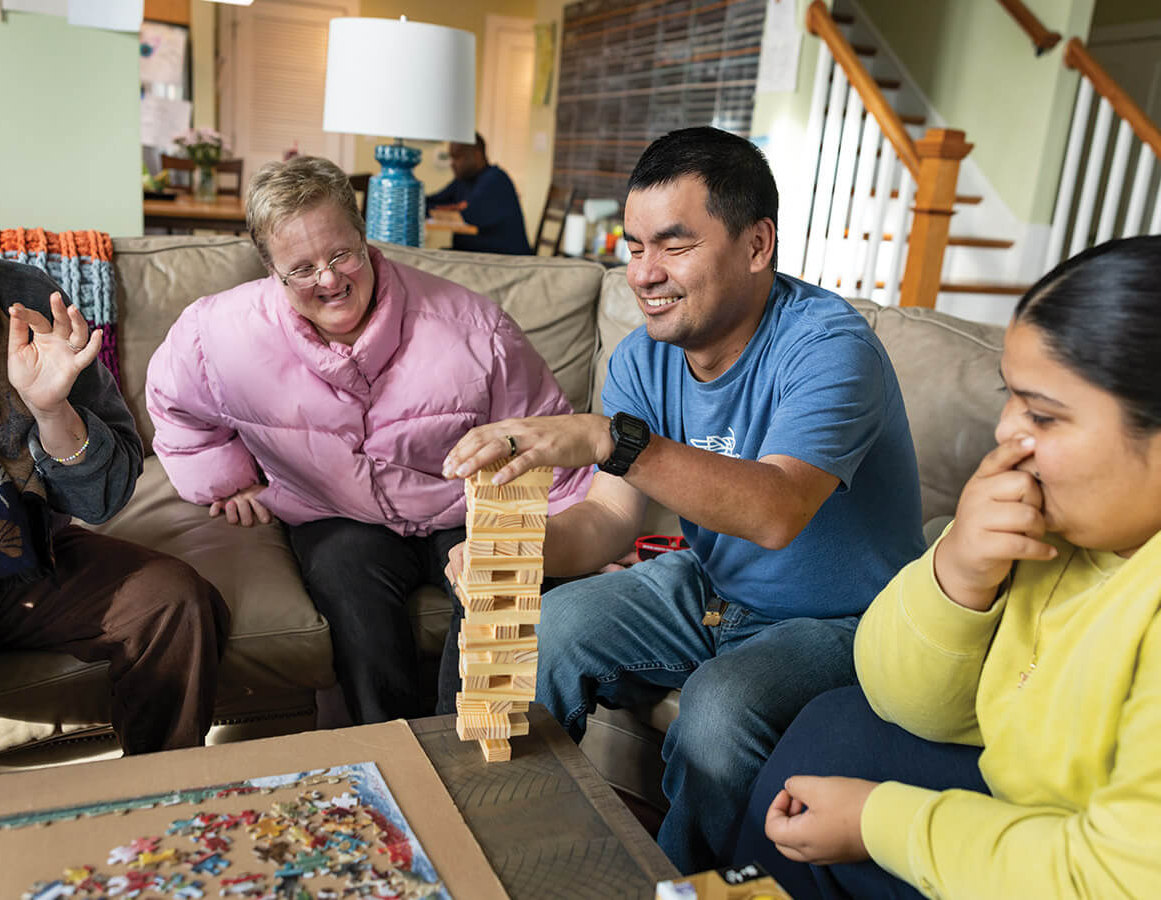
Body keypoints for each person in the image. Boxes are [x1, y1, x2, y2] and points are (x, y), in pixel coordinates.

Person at [442, 126, 924, 872]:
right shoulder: (642, 357)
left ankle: (683, 885)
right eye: (633, 247)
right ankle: (511, 857)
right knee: (551, 629)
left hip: (841, 616)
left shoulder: (830, 346)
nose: (644, 274)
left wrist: (613, 439)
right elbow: (607, 519)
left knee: (720, 711)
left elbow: (776, 511)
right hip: (711, 590)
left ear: (757, 244)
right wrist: (511, 554)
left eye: (673, 245)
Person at [730, 236, 1161, 899]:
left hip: (1102, 867)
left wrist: (880, 823)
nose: (1005, 432)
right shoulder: (1059, 525)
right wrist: (959, 573)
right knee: (834, 726)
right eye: (1009, 397)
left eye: (1043, 414)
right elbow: (897, 698)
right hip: (1034, 796)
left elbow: (1117, 880)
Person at [145, 155, 592, 726]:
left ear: (364, 237)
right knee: (352, 600)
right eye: (301, 269)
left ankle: (463, 755)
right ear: (269, 269)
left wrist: (575, 531)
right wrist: (228, 479)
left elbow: (544, 438)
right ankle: (387, 753)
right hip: (335, 511)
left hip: (464, 507)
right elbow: (173, 403)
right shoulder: (217, 334)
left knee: (498, 602)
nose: (329, 280)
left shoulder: (478, 329)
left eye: (340, 254)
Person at [0, 100, 228, 786]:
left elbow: (104, 498)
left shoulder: (25, 298)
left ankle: (161, 808)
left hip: (32, 556)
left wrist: (52, 411)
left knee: (175, 599)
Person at [424, 133, 532, 256]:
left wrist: (445, 209)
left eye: (457, 158)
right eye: (451, 158)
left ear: (477, 155)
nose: (452, 163)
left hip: (503, 260)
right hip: (473, 254)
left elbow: (466, 215)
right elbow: (435, 201)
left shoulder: (496, 180)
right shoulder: (464, 180)